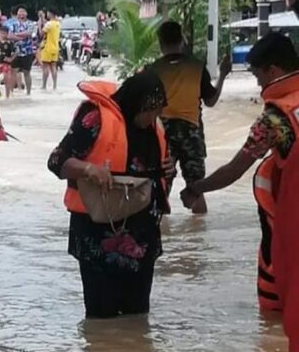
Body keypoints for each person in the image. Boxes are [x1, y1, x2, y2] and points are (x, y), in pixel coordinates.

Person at [182, 33, 299, 350]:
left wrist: (196, 188)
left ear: (273, 72)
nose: (260, 86)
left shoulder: (274, 119)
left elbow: (234, 169)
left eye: (259, 76)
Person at [48, 71, 172, 318]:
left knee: (136, 318)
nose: (154, 117)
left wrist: (169, 170)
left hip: (141, 234)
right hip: (97, 232)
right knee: (101, 317)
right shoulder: (94, 118)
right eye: (149, 110)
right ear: (134, 103)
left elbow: (159, 177)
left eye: (158, 110)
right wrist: (88, 169)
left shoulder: (155, 126)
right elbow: (56, 161)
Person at [148, 20, 231, 214]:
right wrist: (223, 75)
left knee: (160, 189)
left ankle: (163, 235)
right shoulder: (197, 67)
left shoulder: (153, 70)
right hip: (191, 132)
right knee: (197, 188)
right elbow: (211, 102)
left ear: (160, 43)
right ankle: (200, 238)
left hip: (161, 134)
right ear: (182, 40)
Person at [5, 6, 35, 95]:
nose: (21, 13)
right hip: (15, 52)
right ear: (17, 14)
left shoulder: (30, 23)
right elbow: (9, 36)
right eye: (19, 12)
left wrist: (16, 35)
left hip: (27, 51)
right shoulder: (12, 24)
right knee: (13, 72)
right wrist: (20, 38)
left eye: (23, 12)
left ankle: (28, 93)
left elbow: (29, 33)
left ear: (26, 13)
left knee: (27, 72)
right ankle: (11, 93)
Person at [0, 25, 17, 98]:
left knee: (7, 80)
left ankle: (7, 96)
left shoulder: (10, 43)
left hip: (6, 64)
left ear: (7, 33)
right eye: (1, 33)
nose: (3, 35)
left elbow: (16, 51)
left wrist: (11, 59)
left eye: (4, 33)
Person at [40, 10, 61, 90]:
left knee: (45, 67)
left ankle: (44, 86)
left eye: (48, 13)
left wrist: (41, 22)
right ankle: (55, 85)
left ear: (50, 14)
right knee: (53, 66)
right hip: (55, 48)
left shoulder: (49, 24)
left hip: (47, 47)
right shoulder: (58, 24)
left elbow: (41, 33)